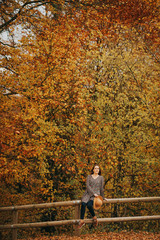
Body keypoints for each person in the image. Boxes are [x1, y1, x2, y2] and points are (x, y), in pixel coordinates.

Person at [78, 164, 107, 229]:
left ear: (99, 170)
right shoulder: (89, 177)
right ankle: (82, 220)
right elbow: (87, 186)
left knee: (89, 205)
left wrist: (103, 197)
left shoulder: (101, 178)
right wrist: (93, 193)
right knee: (83, 204)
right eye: (95, 168)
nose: (97, 169)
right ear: (93, 170)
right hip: (88, 193)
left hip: (96, 195)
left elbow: (101, 188)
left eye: (98, 168)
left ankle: (94, 217)